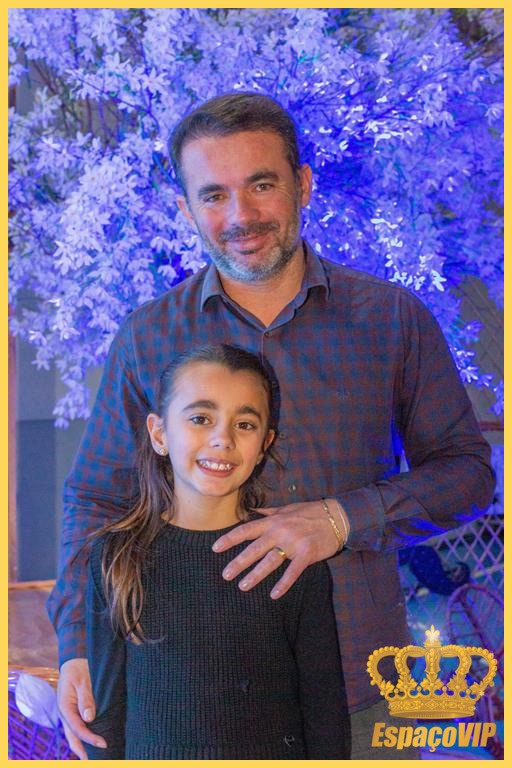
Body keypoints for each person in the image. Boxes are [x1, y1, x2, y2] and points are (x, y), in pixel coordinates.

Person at [48, 92, 495, 760]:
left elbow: (468, 474)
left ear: (302, 185)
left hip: (363, 690)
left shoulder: (392, 319)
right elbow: (97, 498)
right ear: (186, 210)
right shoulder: (148, 337)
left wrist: (342, 519)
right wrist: (79, 645)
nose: (240, 216)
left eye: (262, 185)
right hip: (189, 700)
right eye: (213, 195)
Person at [84, 343, 351, 759]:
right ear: (159, 433)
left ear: (264, 444)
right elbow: (107, 716)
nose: (222, 439)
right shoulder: (116, 557)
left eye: (244, 424)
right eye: (200, 419)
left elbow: (325, 714)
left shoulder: (291, 557)